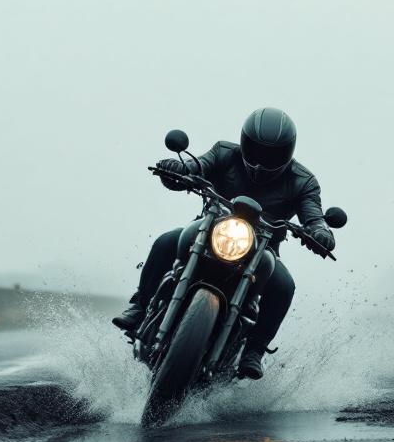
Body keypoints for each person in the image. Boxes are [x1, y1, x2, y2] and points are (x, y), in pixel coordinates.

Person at [112, 107, 336, 379]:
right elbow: (198, 166)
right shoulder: (224, 153)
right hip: (210, 230)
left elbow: (314, 215)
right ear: (244, 142)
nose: (262, 161)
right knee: (167, 241)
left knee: (284, 285)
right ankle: (140, 304)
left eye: (273, 154)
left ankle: (254, 350)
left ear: (288, 152)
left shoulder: (303, 181)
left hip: (261, 249)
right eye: (255, 149)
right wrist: (178, 170)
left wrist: (320, 232)